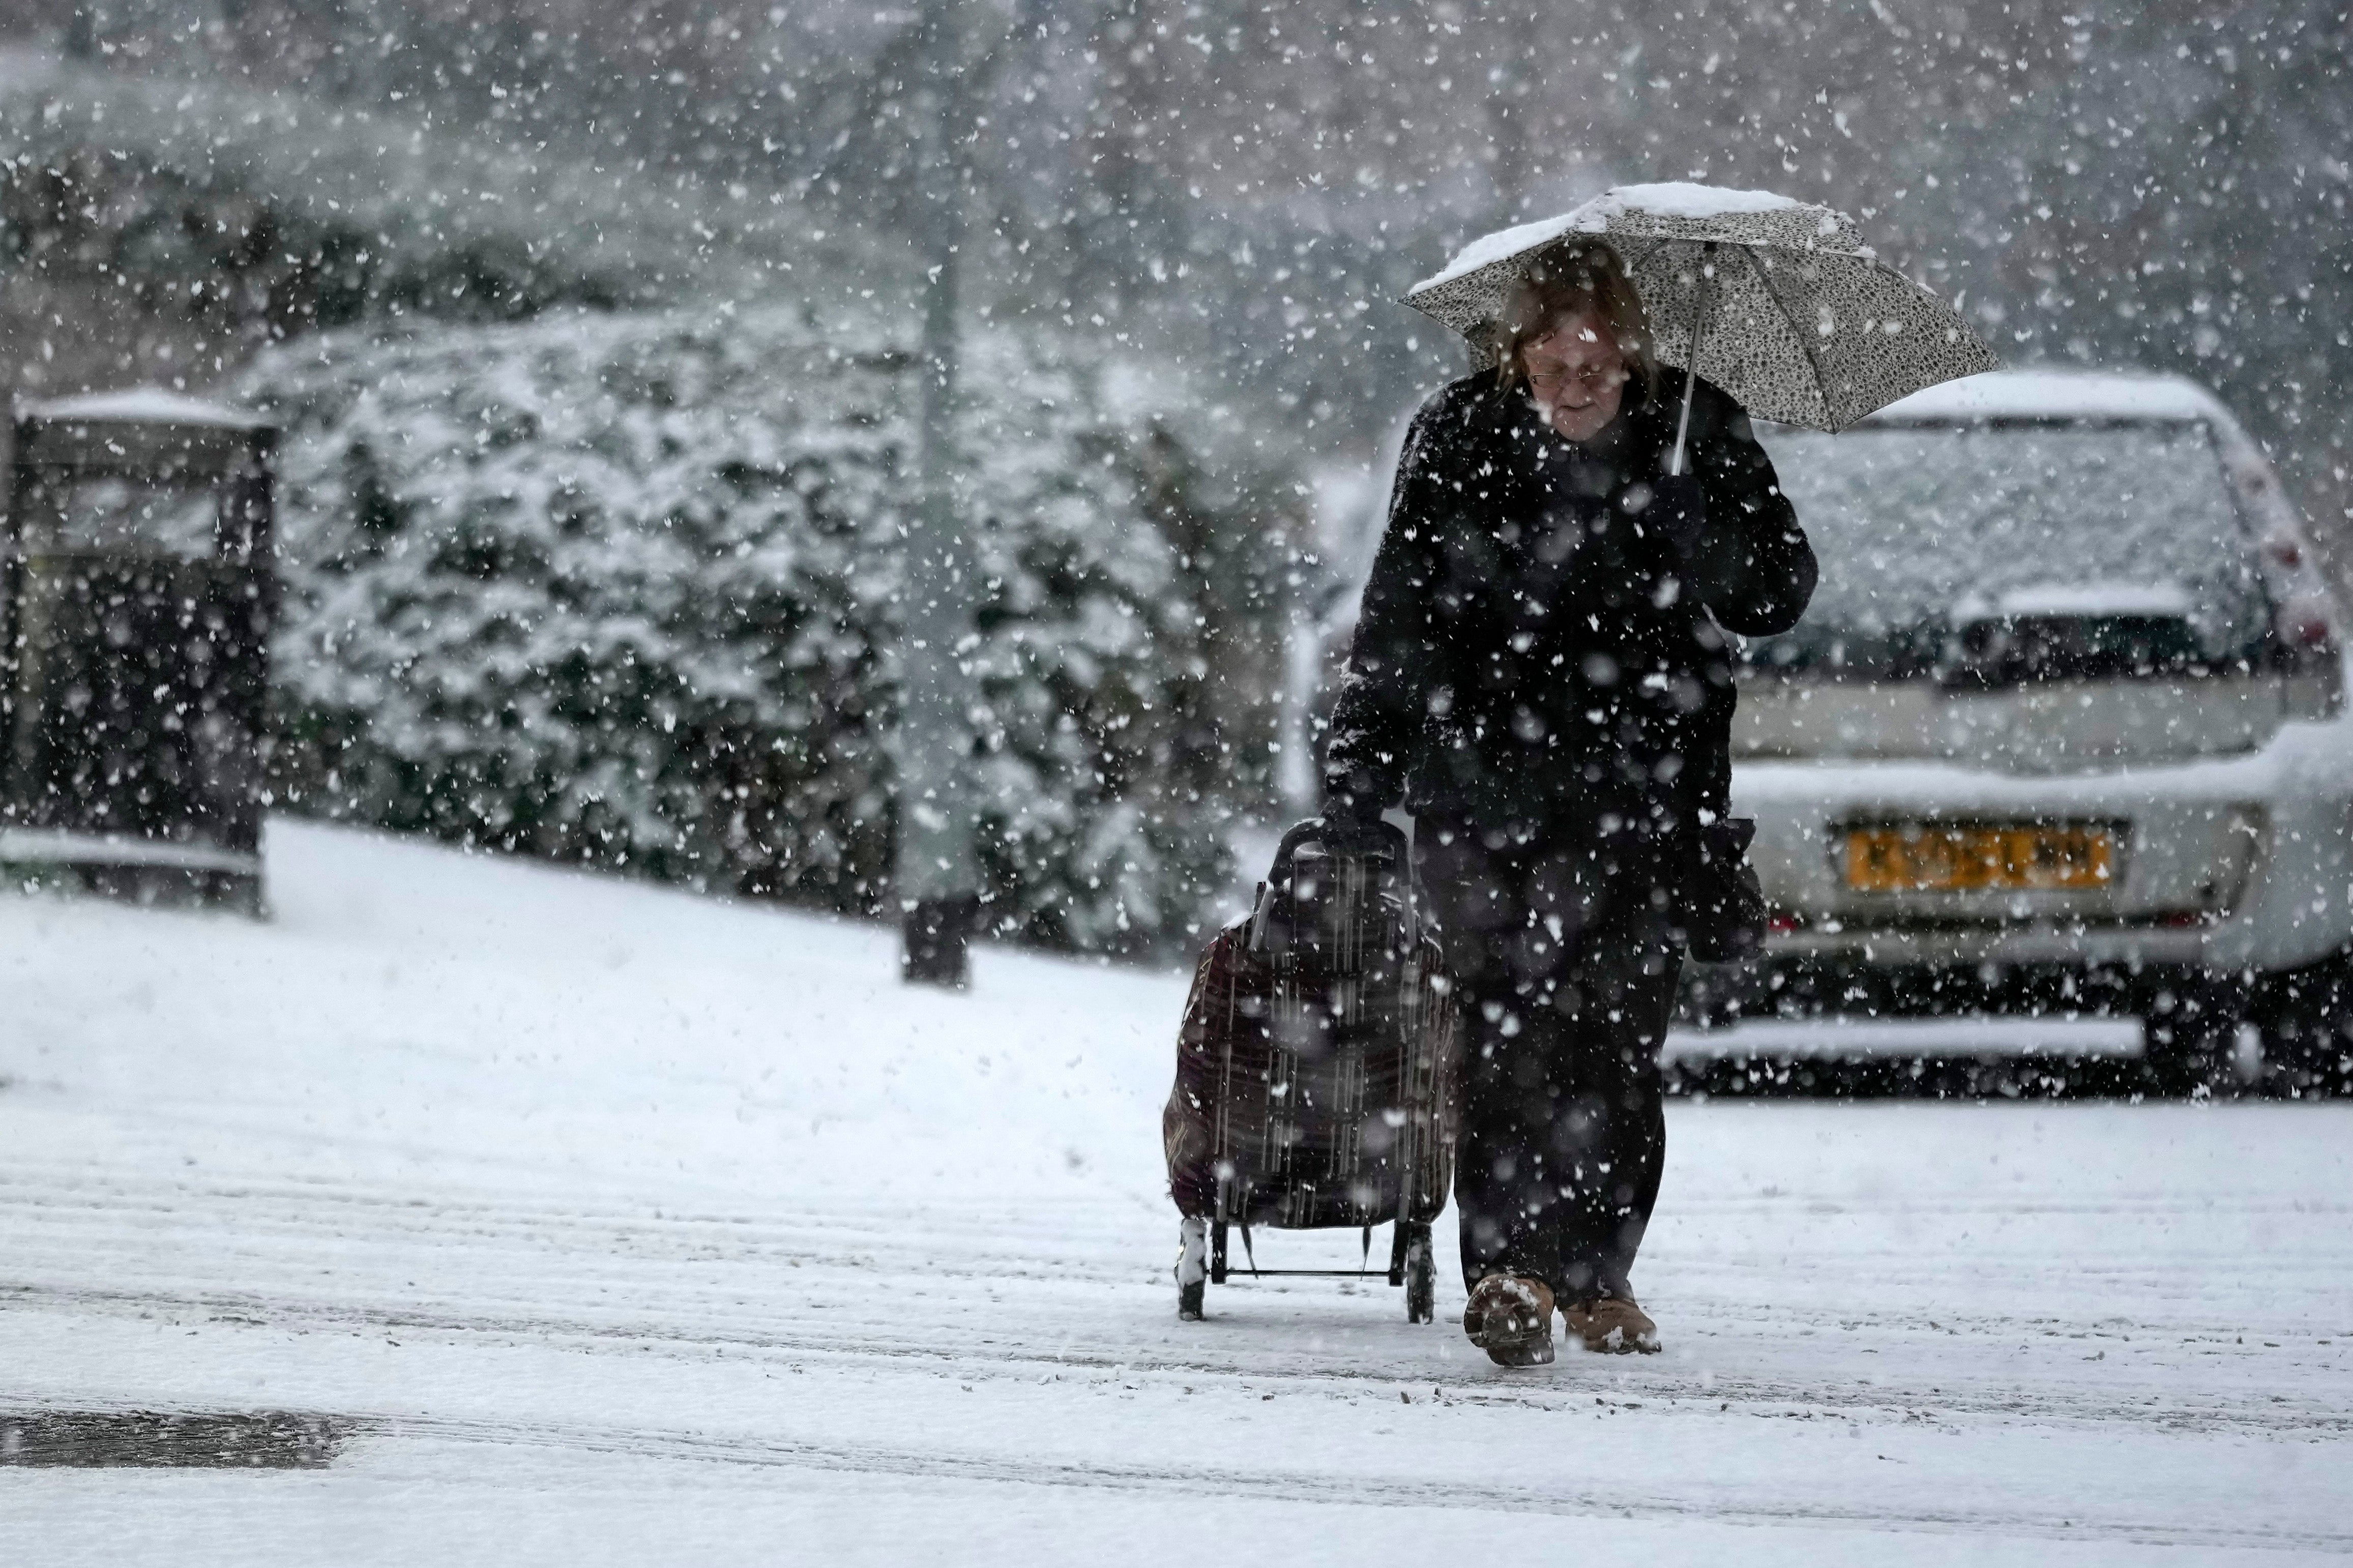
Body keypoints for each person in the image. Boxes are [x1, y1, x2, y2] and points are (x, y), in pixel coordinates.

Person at [1320, 240, 1815, 1366]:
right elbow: (1400, 605)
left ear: (1633, 338)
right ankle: (1510, 1272)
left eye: (1598, 339)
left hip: (1647, 793)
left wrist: (1700, 518)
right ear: (1517, 342)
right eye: (1552, 339)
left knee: (1614, 1035)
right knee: (1502, 1030)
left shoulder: (1698, 428)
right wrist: (1364, 762)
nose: (1576, 363)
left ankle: (1598, 1279)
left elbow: (1777, 593)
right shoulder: (1456, 432)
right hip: (1481, 787)